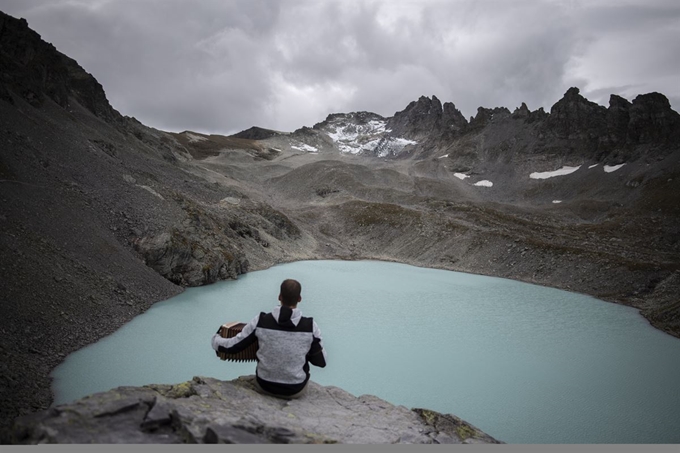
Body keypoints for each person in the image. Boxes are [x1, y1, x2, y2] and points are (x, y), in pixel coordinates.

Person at [211, 278, 327, 399]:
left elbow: (233, 346)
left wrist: (215, 339)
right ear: (299, 299)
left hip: (265, 386)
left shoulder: (261, 321)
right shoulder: (310, 326)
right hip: (295, 389)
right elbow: (321, 362)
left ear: (279, 297)